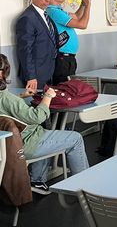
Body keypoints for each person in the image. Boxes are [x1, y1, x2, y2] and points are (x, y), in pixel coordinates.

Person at [0, 54, 89, 195]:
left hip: (5, 146)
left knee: (44, 131)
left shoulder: (8, 98)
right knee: (76, 138)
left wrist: (21, 97)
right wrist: (48, 97)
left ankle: (37, 179)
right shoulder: (8, 98)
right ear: (2, 73)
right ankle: (85, 187)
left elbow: (5, 105)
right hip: (24, 144)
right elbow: (37, 117)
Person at [16, 0, 59, 92]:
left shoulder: (45, 15)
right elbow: (25, 50)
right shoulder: (28, 18)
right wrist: (31, 76)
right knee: (37, 105)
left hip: (48, 70)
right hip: (36, 75)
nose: (47, 0)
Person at [46, 0, 91, 84]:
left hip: (66, 58)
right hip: (62, 59)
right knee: (64, 89)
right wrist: (88, 6)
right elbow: (82, 24)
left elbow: (76, 18)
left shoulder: (57, 11)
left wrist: (83, 4)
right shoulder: (54, 12)